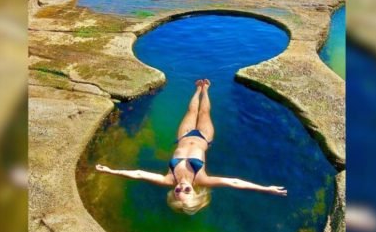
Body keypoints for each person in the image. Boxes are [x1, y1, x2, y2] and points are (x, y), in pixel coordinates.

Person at [95, 79, 287, 215]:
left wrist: (111, 171)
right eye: (187, 192)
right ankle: (206, 90)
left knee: (191, 110)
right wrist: (265, 188)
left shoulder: (168, 179)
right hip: (204, 137)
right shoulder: (202, 179)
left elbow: (138, 174)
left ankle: (197, 89)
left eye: (178, 193)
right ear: (195, 192)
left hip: (184, 136)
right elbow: (234, 182)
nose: (182, 189)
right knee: (204, 111)